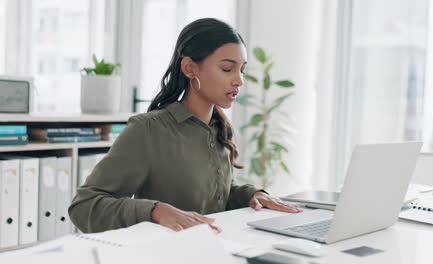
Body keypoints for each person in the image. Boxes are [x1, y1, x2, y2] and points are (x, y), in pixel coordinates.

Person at [68, 18, 302, 234]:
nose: (239, 80)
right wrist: (155, 211)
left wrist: (252, 195)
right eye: (227, 69)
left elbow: (213, 196)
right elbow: (84, 206)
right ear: (190, 68)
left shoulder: (218, 127)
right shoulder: (148, 129)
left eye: (242, 70)